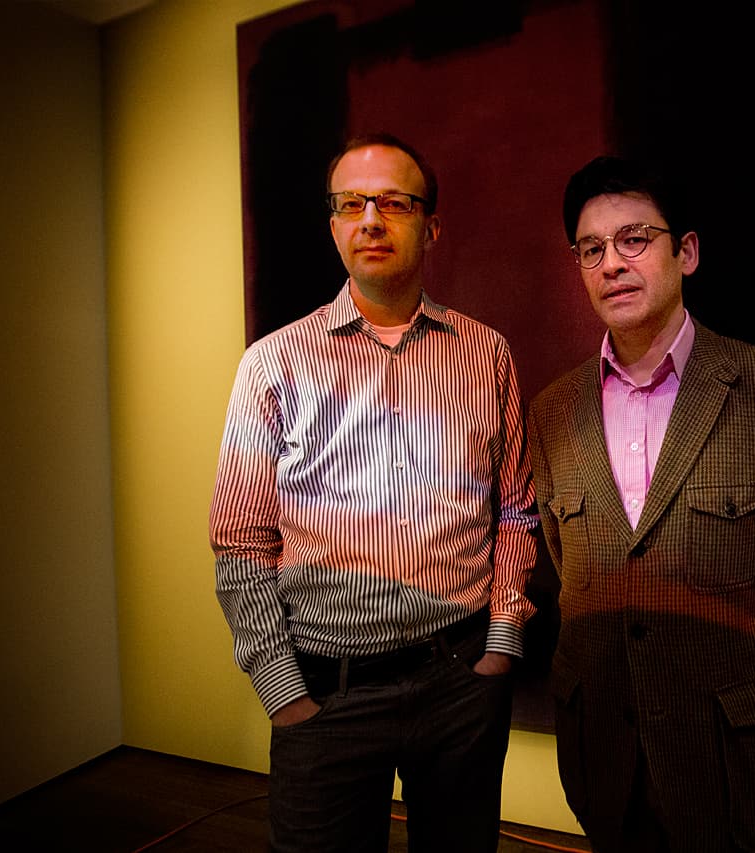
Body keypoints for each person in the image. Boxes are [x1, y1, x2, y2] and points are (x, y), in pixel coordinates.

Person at [209, 132, 538, 853]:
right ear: (332, 224)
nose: (370, 219)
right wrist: (282, 690)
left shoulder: (486, 354)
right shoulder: (273, 364)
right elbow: (239, 541)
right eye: (352, 203)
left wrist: (502, 644)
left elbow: (515, 511)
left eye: (394, 202)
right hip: (327, 694)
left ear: (431, 225)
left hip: (461, 683)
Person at [526, 155, 755, 853]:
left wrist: (734, 655)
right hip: (607, 765)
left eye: (634, 239)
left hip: (742, 759)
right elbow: (562, 566)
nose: (612, 263)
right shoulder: (552, 411)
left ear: (687, 251)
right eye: (592, 249)